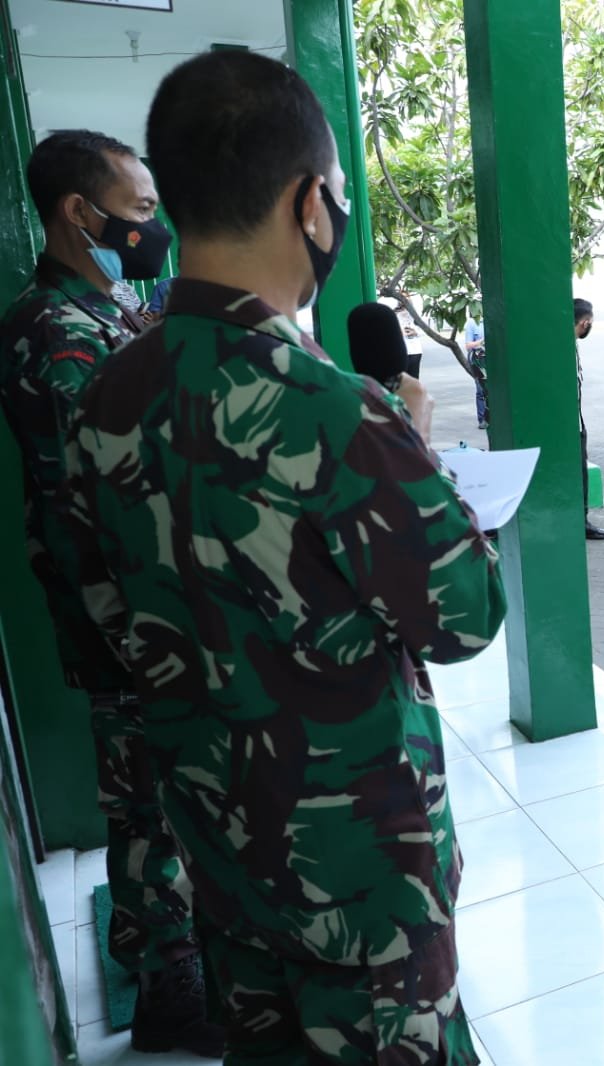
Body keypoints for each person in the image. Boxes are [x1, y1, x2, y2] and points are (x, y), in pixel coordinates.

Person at [62, 51, 506, 1062]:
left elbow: (112, 617)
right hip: (362, 873)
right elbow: (466, 617)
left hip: (219, 846)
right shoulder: (339, 411)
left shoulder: (107, 397)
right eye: (340, 191)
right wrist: (417, 449)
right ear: (311, 203)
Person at [0, 129, 222, 1056]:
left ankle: (146, 937)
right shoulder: (57, 332)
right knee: (151, 803)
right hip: (130, 619)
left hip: (133, 611)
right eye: (137, 213)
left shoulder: (98, 311)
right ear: (78, 215)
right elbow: (121, 490)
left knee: (146, 794)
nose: (153, 229)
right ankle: (173, 987)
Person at [574, 298, 604, 540]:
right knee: (579, 473)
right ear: (585, 322)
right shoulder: (565, 346)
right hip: (571, 425)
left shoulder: (568, 343)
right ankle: (581, 521)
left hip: (575, 420)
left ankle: (580, 519)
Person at [465, 312, 487, 430]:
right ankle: (482, 419)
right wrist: (482, 341)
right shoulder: (472, 322)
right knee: (481, 390)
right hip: (478, 359)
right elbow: (468, 346)